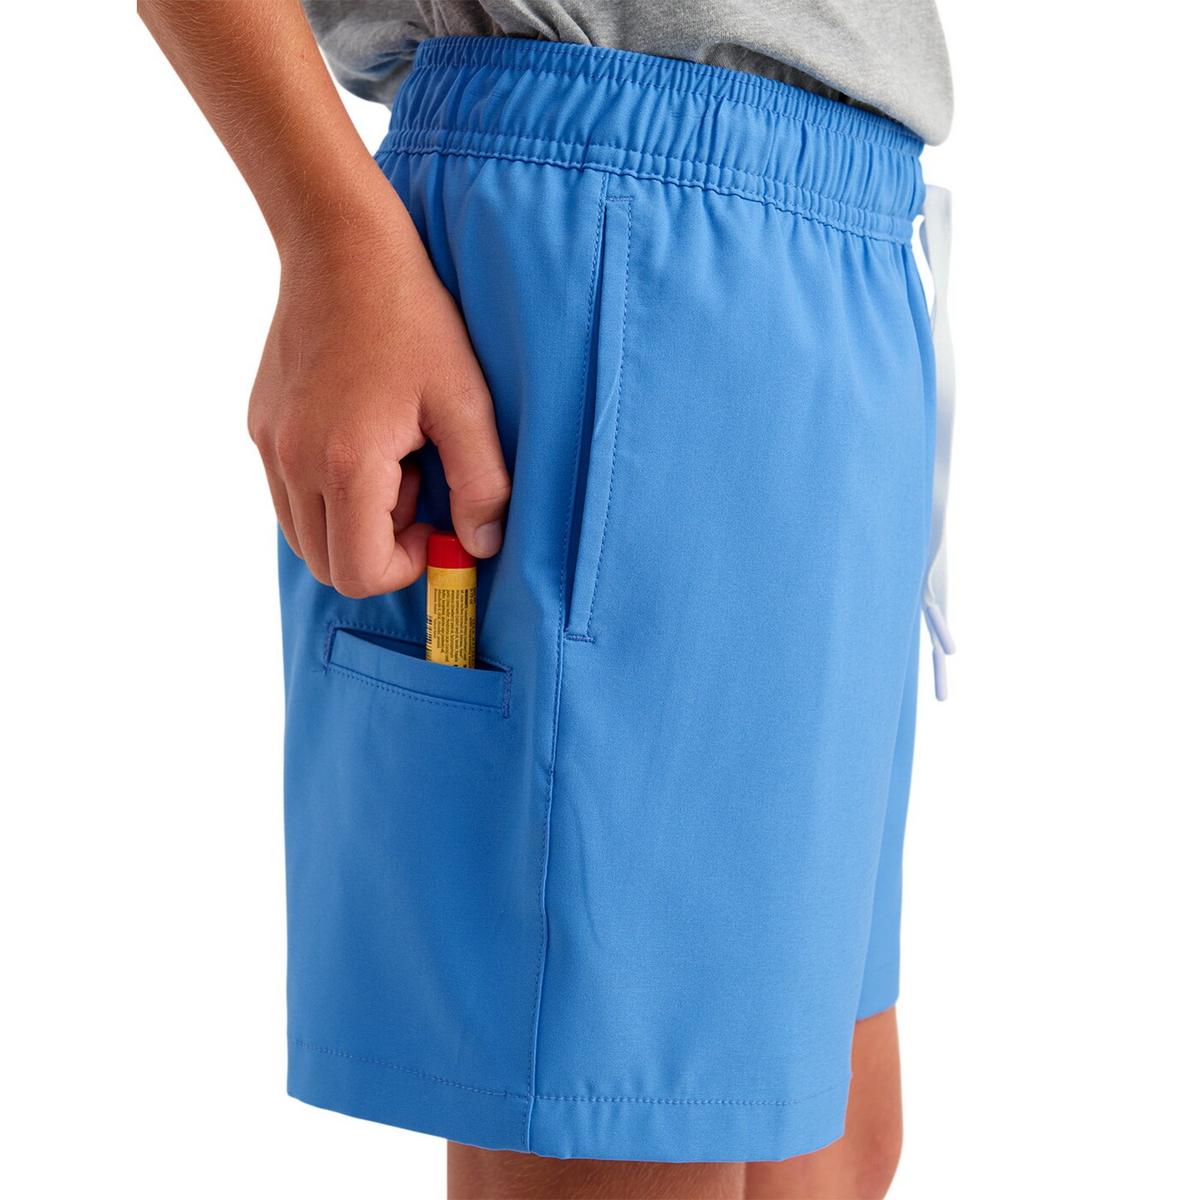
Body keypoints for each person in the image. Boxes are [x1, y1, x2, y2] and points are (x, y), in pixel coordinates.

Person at [140, 2, 953, 1197]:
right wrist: (331, 238)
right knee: (621, 1133)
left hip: (844, 224)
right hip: (608, 214)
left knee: (823, 1150)